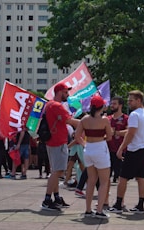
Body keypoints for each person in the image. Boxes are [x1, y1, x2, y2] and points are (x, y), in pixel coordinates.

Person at [108, 90, 144, 214]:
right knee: (141, 177)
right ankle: (140, 205)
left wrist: (121, 148)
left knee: (123, 177)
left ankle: (118, 204)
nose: (129, 103)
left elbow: (131, 133)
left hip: (135, 149)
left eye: (131, 100)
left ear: (139, 100)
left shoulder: (135, 115)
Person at [41, 82, 79, 211]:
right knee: (57, 172)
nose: (67, 95)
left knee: (55, 171)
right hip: (58, 141)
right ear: (59, 92)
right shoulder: (57, 106)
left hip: (52, 141)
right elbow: (70, 121)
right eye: (65, 92)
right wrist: (89, 123)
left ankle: (56, 197)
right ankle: (47, 200)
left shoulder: (49, 104)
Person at [75, 94, 112, 219]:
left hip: (88, 149)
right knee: (104, 181)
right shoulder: (105, 120)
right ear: (101, 107)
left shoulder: (84, 119)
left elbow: (77, 136)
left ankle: (88, 209)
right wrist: (102, 137)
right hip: (100, 148)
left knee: (91, 180)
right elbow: (110, 136)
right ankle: (100, 210)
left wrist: (84, 144)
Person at [107, 96, 128, 183]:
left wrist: (117, 132)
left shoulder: (126, 118)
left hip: (121, 150)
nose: (112, 105)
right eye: (111, 103)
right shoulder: (107, 119)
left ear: (120, 105)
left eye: (114, 104)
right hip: (108, 150)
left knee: (121, 175)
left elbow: (129, 131)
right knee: (106, 174)